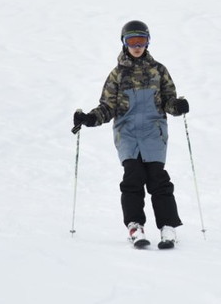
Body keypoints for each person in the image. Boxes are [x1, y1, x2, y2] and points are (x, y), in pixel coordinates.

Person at [73, 20, 190, 249]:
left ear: (148, 42)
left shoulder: (159, 71)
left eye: (141, 41)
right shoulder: (117, 75)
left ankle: (168, 227)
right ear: (124, 43)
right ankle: (135, 226)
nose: (137, 46)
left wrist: (178, 106)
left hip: (153, 133)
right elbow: (107, 107)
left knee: (158, 179)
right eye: (131, 41)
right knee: (133, 177)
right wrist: (88, 118)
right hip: (127, 133)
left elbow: (168, 102)